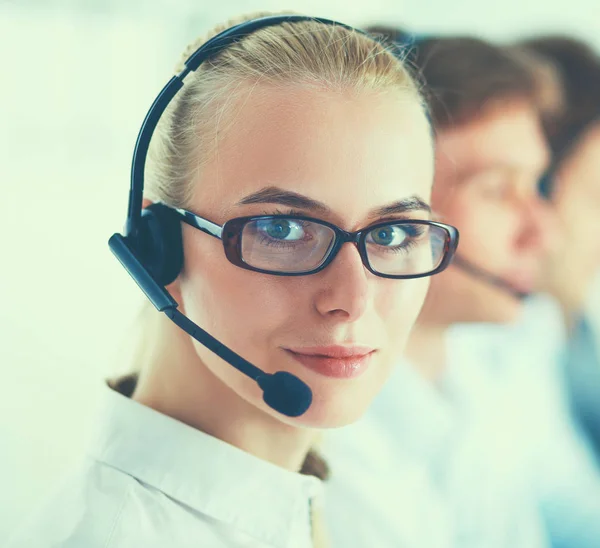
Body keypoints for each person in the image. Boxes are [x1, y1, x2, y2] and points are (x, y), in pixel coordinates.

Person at [6, 13, 459, 548]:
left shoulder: (357, 500)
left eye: (392, 234)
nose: (352, 300)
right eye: (282, 229)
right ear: (159, 249)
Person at [324, 30, 600, 548]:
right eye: (499, 190)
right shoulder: (334, 439)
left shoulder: (486, 372)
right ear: (397, 210)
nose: (545, 232)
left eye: (535, 187)